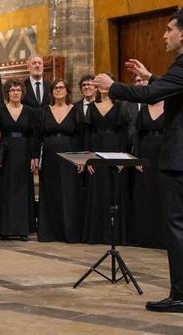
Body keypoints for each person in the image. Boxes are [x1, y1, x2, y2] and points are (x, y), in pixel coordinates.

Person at [95, 6, 183, 314]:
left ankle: (181, 296)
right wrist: (152, 76)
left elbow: (150, 96)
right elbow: (174, 87)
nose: (164, 35)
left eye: (168, 29)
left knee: (179, 227)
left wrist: (114, 87)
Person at [81, 73, 132, 246]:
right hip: (96, 152)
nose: (102, 86)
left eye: (104, 83)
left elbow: (124, 134)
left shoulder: (120, 106)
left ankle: (114, 235)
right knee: (97, 192)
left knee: (114, 192)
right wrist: (87, 159)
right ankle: (96, 234)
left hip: (114, 151)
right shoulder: (92, 107)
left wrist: (122, 158)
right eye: (99, 83)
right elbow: (87, 135)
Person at [36, 79, 82, 243]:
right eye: (55, 88)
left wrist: (81, 159)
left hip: (70, 156)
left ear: (67, 91)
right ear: (51, 91)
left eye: (62, 87)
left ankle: (69, 232)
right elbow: (38, 136)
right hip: (49, 156)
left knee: (69, 193)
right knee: (51, 192)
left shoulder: (75, 110)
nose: (58, 90)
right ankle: (50, 232)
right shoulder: (44, 111)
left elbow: (80, 136)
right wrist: (35, 157)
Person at [0, 79, 38, 239]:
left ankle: (22, 229)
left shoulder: (31, 112)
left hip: (24, 152)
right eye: (12, 90)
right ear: (7, 93)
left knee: (22, 190)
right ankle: (4, 229)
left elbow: (33, 136)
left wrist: (34, 156)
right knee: (5, 190)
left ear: (22, 93)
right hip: (5, 153)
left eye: (18, 90)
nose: (15, 93)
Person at [128, 97, 165, 249]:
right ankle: (145, 235)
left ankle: (162, 237)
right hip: (146, 153)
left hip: (164, 153)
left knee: (162, 193)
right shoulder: (143, 109)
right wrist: (137, 157)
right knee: (145, 193)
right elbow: (136, 134)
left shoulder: (169, 108)